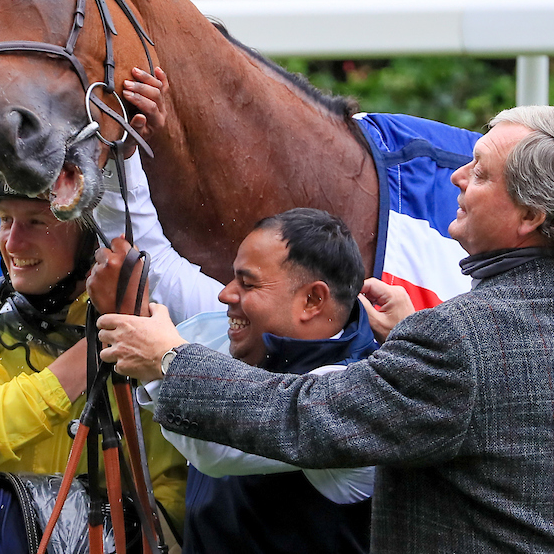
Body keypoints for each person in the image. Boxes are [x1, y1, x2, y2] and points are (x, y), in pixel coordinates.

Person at [97, 105, 554, 554]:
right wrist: (417, 336)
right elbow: (512, 413)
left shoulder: (461, 344)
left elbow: (305, 417)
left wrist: (170, 360)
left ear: (530, 217)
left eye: (479, 172)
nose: (455, 176)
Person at [91, 208, 379, 553]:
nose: (224, 294)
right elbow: (154, 261)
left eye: (248, 282)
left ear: (312, 300)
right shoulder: (242, 332)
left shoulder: (358, 394)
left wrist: (159, 360)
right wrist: (120, 160)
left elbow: (215, 449)